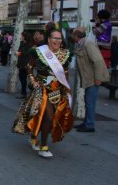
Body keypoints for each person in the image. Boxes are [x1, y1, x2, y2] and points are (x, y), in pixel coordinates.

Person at [12, 26, 74, 158]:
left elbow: (66, 72)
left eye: (59, 38)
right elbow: (29, 67)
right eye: (54, 38)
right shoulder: (38, 52)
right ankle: (44, 147)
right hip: (43, 89)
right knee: (48, 116)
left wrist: (67, 89)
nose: (57, 41)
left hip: (58, 90)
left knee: (50, 118)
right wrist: (32, 80)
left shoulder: (66, 54)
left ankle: (34, 136)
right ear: (49, 39)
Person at [72, 27, 110, 133]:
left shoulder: (88, 44)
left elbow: (98, 61)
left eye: (73, 34)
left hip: (93, 78)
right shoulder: (80, 44)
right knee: (87, 100)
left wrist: (98, 78)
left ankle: (89, 124)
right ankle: (86, 122)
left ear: (76, 35)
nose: (71, 36)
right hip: (88, 78)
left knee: (90, 101)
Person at [16, 32, 32, 98]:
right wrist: (18, 52)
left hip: (26, 63)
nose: (21, 37)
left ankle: (24, 93)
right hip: (21, 62)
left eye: (22, 35)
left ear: (25, 36)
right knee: (21, 77)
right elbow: (19, 50)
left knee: (24, 78)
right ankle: (24, 92)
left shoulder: (29, 44)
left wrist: (21, 53)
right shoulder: (22, 43)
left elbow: (28, 53)